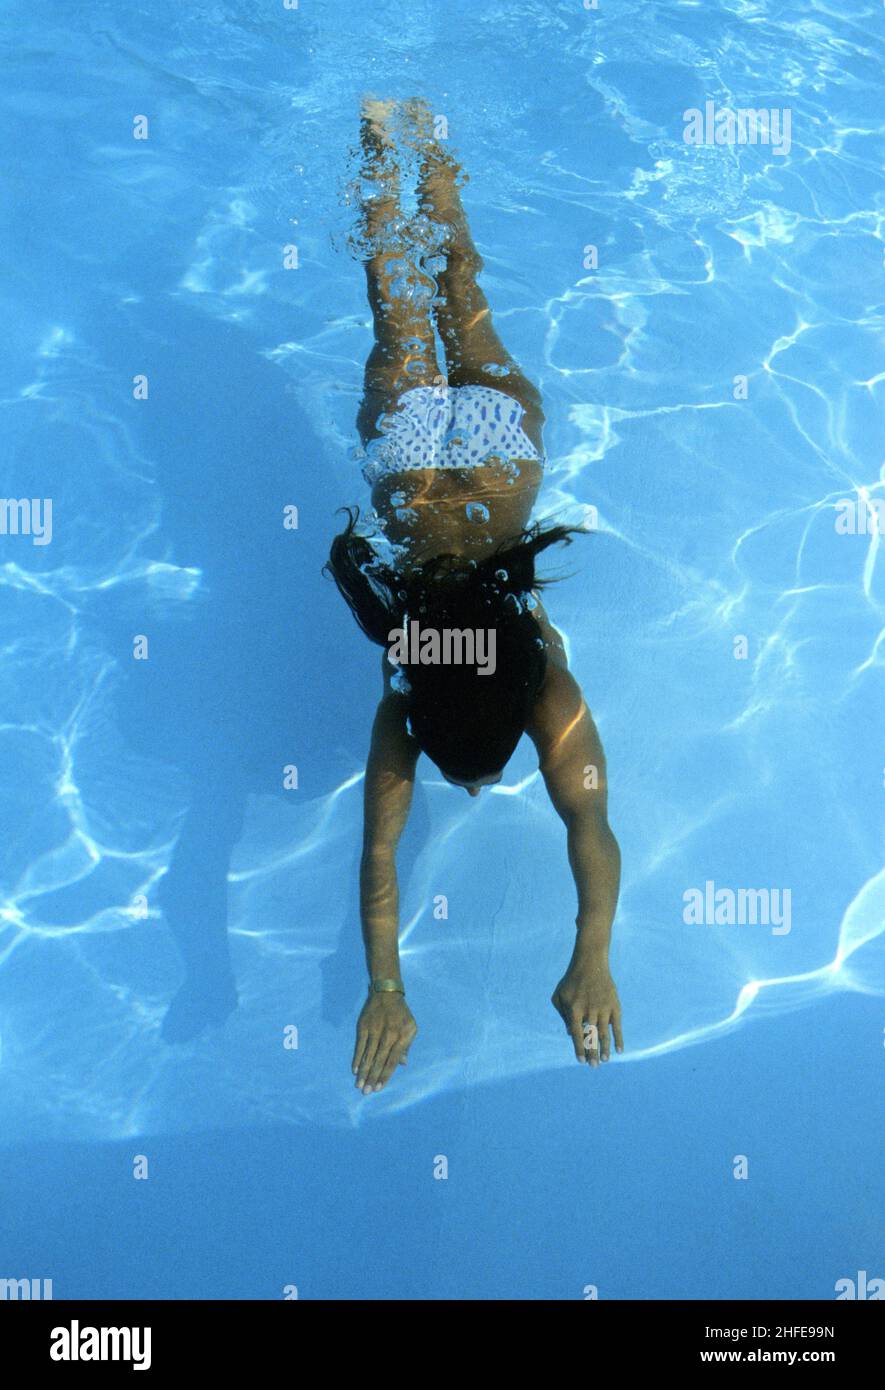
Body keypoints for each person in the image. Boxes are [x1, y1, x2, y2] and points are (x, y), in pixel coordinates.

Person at [326, 99, 623, 1095]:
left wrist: (595, 955)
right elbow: (378, 858)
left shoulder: (546, 691)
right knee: (398, 299)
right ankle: (379, 138)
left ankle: (433, 141)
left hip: (501, 462)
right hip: (412, 482)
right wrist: (384, 985)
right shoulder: (403, 707)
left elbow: (589, 825)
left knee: (462, 284)